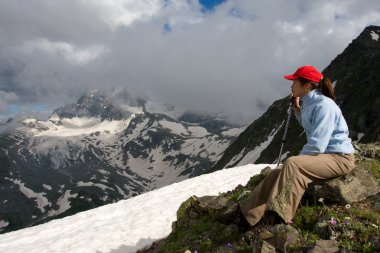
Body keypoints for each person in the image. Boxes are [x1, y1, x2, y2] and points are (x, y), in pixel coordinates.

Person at [218, 65, 356, 228]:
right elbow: (310, 126)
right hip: (326, 156)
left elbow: (317, 144)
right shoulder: (310, 102)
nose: (291, 85)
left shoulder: (324, 106)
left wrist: (297, 162)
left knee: (292, 164)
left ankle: (273, 217)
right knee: (276, 173)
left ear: (307, 86)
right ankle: (245, 215)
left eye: (294, 82)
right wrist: (298, 110)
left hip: (339, 158)